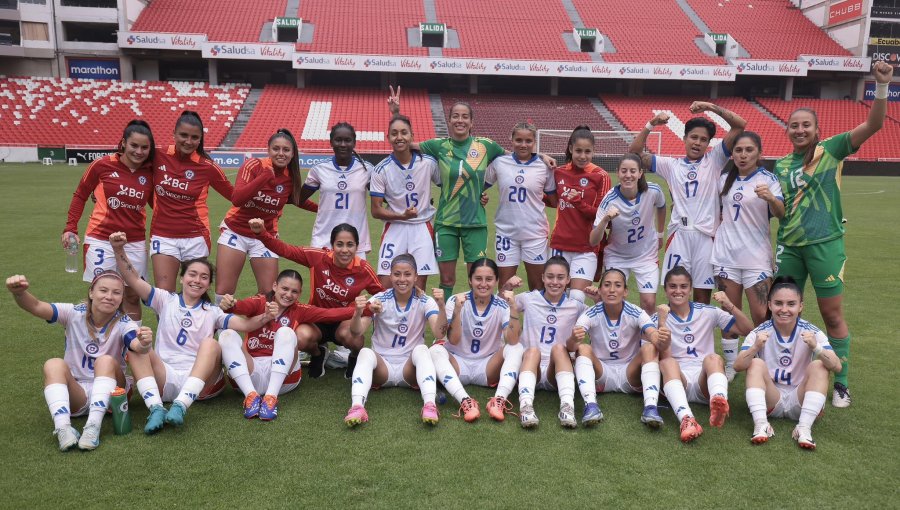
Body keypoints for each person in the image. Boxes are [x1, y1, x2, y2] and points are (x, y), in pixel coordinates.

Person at [773, 61, 894, 408]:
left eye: (805, 125)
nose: (799, 130)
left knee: (832, 315)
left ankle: (840, 382)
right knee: (781, 312)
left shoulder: (832, 149)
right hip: (789, 247)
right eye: (794, 126)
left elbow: (874, 124)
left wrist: (881, 86)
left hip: (825, 245)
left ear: (816, 128)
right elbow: (782, 209)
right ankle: (787, 372)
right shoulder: (781, 165)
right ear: (787, 130)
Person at [387, 86, 555, 297]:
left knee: (478, 279)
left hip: (475, 223)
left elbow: (517, 155)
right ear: (449, 120)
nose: (460, 120)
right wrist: (395, 113)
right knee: (447, 279)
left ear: (471, 122)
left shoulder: (485, 146)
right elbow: (403, 143)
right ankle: (448, 323)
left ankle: (477, 323)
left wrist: (541, 156)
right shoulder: (438, 146)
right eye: (456, 116)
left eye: (465, 116)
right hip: (446, 223)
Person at [109, 232, 270, 433]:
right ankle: (156, 408)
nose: (197, 280)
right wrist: (118, 249)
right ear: (182, 277)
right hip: (164, 377)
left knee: (211, 344)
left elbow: (245, 326)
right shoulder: (164, 299)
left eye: (204, 277)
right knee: (136, 346)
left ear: (208, 285)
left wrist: (266, 317)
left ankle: (181, 405)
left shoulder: (213, 311)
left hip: (202, 383)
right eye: (192, 274)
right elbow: (132, 279)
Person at [6, 271, 150, 451]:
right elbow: (35, 306)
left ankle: (93, 428)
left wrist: (144, 343)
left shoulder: (124, 322)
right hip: (78, 392)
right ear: (91, 292)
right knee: (53, 364)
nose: (109, 297)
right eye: (103, 290)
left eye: (116, 293)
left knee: (104, 361)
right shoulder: (73, 313)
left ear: (122, 298)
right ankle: (63, 429)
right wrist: (19, 293)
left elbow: (137, 346)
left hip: (114, 393)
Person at [629, 101, 747, 305]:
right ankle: (675, 337)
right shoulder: (671, 165)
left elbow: (739, 125)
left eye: (703, 139)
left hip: (705, 238)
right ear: (684, 139)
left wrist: (710, 107)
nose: (698, 142)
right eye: (693, 137)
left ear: (709, 143)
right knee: (676, 295)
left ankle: (699, 335)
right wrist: (651, 124)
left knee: (702, 299)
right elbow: (634, 154)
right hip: (679, 237)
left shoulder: (714, 160)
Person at [218, 269, 362, 421]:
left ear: (299, 294)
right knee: (226, 335)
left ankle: (270, 398)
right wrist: (230, 304)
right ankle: (250, 396)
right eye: (285, 289)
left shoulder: (299, 310)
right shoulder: (260, 301)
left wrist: (362, 309)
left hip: (284, 381)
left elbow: (330, 314)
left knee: (286, 332)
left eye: (294, 291)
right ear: (275, 286)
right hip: (250, 374)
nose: (288, 295)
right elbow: (240, 306)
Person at [250, 219, 383, 379]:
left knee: (354, 340)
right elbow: (285, 250)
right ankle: (318, 353)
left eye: (350, 245)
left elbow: (382, 294)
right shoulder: (318, 257)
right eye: (339, 244)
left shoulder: (363, 269)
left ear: (357, 246)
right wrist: (262, 233)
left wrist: (370, 307)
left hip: (344, 321)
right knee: (300, 338)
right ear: (332, 245)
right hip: (316, 319)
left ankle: (354, 357)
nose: (345, 250)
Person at [733, 277, 842, 449]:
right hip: (771, 398)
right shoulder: (759, 332)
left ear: (800, 306)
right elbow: (737, 366)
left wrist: (817, 348)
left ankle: (804, 428)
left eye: (791, 304)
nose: (784, 309)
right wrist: (755, 348)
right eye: (778, 303)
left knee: (820, 366)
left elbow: (837, 366)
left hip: (800, 399)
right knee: (755, 364)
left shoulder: (812, 332)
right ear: (769, 305)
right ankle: (761, 424)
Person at [62, 120, 155, 321]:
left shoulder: (150, 171)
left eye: (144, 147)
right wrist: (70, 228)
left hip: (134, 242)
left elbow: (157, 203)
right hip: (100, 239)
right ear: (123, 143)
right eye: (134, 145)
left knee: (132, 295)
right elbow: (80, 195)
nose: (139, 151)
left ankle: (132, 349)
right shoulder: (102, 164)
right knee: (102, 293)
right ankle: (97, 344)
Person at [711, 132, 785, 381]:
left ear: (759, 153)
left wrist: (771, 199)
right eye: (739, 150)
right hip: (726, 256)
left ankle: (765, 362)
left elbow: (781, 213)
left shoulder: (768, 179)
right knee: (729, 314)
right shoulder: (723, 179)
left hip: (757, 258)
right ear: (732, 154)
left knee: (761, 315)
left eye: (749, 150)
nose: (743, 155)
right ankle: (732, 365)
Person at [343, 255, 447, 427]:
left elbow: (439, 333)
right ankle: (357, 407)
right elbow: (356, 332)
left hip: (410, 369)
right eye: (397, 274)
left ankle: (430, 404)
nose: (402, 279)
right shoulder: (378, 299)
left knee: (422, 350)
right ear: (390, 276)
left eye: (407, 274)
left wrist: (442, 306)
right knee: (365, 352)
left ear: (416, 276)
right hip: (382, 368)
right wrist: (359, 312)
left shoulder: (424, 300)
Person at [215, 128, 317, 302]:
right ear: (268, 150)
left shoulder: (290, 177)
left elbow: (297, 200)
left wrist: (323, 209)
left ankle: (257, 328)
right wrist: (265, 177)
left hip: (265, 236)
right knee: (224, 292)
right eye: (276, 149)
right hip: (236, 231)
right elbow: (237, 198)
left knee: (269, 294)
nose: (281, 153)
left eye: (286, 150)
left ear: (293, 154)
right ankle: (218, 329)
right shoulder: (254, 165)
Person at [655, 266, 753, 443]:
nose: (678, 291)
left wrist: (730, 306)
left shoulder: (708, 311)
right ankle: (687, 420)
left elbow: (748, 331)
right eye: (673, 286)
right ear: (665, 289)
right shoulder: (659, 317)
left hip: (705, 380)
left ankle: (719, 400)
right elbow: (661, 355)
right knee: (667, 362)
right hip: (677, 379)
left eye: (683, 286)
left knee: (714, 358)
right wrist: (662, 322)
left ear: (691, 288)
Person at [569, 268, 667, 428]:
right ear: (600, 290)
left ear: (626, 291)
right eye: (607, 285)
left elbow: (651, 333)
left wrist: (658, 335)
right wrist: (574, 339)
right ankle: (591, 405)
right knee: (583, 348)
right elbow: (571, 347)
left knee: (649, 348)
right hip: (601, 374)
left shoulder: (636, 312)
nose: (612, 290)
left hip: (630, 373)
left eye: (617, 285)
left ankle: (651, 407)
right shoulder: (590, 313)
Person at [429, 258, 522, 423]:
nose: (483, 284)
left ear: (496, 281)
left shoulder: (502, 305)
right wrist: (458, 311)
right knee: (435, 350)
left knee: (517, 348)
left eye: (489, 279)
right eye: (478, 279)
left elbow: (512, 340)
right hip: (457, 364)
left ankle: (498, 400)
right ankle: (465, 401)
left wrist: (514, 308)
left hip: (488, 366)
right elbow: (454, 340)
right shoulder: (456, 301)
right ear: (470, 280)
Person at [150, 111, 234, 292]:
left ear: (200, 139)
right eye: (184, 135)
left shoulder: (207, 166)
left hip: (196, 237)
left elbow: (235, 197)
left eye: (194, 137)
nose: (188, 141)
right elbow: (130, 173)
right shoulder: (157, 156)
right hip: (163, 235)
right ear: (174, 134)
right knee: (163, 294)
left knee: (194, 292)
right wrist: (99, 189)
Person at [510, 257, 595, 428]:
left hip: (556, 370)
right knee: (532, 351)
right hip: (529, 366)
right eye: (550, 277)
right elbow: (497, 305)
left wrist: (599, 299)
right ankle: (526, 407)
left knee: (559, 348)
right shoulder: (528, 298)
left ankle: (567, 407)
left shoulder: (576, 306)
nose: (554, 282)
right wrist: (507, 288)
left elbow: (601, 317)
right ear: (542, 278)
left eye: (560, 277)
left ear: (568, 280)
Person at [484, 122, 558, 290]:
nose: (523, 144)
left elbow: (554, 201)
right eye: (518, 140)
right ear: (511, 140)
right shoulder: (499, 163)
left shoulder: (545, 167)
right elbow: (480, 187)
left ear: (534, 142)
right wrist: (481, 195)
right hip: (506, 234)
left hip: (535, 234)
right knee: (504, 288)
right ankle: (506, 317)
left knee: (538, 288)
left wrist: (536, 198)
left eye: (528, 141)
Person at [370, 115, 441, 289]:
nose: (399, 137)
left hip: (422, 227)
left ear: (412, 136)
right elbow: (375, 210)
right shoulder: (381, 169)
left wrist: (478, 196)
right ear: (388, 138)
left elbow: (449, 187)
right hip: (395, 228)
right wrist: (402, 215)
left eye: (404, 133)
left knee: (418, 286)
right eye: (394, 133)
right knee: (385, 284)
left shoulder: (428, 163)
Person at [590, 154, 666, 315]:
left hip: (645, 254)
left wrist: (660, 234)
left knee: (649, 303)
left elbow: (662, 206)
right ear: (617, 172)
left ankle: (647, 339)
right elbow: (593, 240)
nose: (628, 175)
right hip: (618, 256)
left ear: (640, 173)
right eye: (624, 171)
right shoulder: (609, 200)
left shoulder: (653, 190)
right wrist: (605, 220)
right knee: (613, 303)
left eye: (633, 171)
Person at [549, 126, 611, 290]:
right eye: (578, 151)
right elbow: (553, 201)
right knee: (558, 297)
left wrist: (578, 202)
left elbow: (600, 216)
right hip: (559, 245)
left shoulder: (601, 176)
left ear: (593, 151)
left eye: (587, 151)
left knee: (577, 298)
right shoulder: (559, 172)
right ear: (571, 149)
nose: (583, 156)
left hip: (586, 248)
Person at [297, 122, 371, 257]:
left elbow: (384, 198)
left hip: (355, 242)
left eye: (347, 140)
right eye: (338, 140)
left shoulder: (367, 169)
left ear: (354, 143)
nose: (343, 144)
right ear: (331, 142)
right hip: (323, 241)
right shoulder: (319, 169)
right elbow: (298, 199)